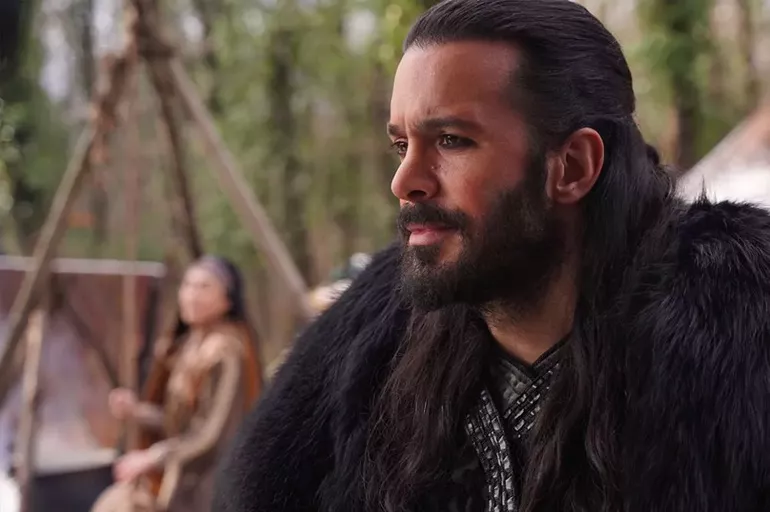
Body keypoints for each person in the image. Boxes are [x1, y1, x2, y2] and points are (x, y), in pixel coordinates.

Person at [214, 1, 770, 511]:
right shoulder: (374, 353)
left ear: (573, 166)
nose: (404, 181)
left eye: (451, 140)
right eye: (402, 145)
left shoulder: (743, 352)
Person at [93, 256, 262, 512]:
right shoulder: (185, 347)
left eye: (204, 287)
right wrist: (136, 411)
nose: (192, 295)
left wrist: (154, 457)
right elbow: (177, 421)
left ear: (227, 300)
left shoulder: (226, 353)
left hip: (208, 483)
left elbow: (210, 435)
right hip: (178, 477)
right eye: (188, 285)